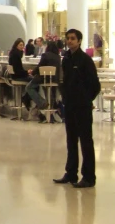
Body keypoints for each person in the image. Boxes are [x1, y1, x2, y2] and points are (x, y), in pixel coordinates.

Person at [53, 29, 101, 188]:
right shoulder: (66, 58)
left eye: (73, 38)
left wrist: (86, 100)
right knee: (71, 140)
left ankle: (89, 177)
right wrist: (65, 96)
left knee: (86, 142)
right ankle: (71, 173)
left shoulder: (86, 60)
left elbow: (95, 85)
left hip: (82, 107)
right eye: (67, 38)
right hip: (70, 105)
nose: (69, 41)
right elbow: (63, 79)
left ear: (79, 41)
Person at [25, 41, 61, 122]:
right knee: (50, 93)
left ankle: (42, 103)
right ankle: (50, 113)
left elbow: (39, 67)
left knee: (29, 87)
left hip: (43, 78)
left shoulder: (45, 55)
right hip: (54, 80)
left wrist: (32, 73)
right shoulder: (58, 57)